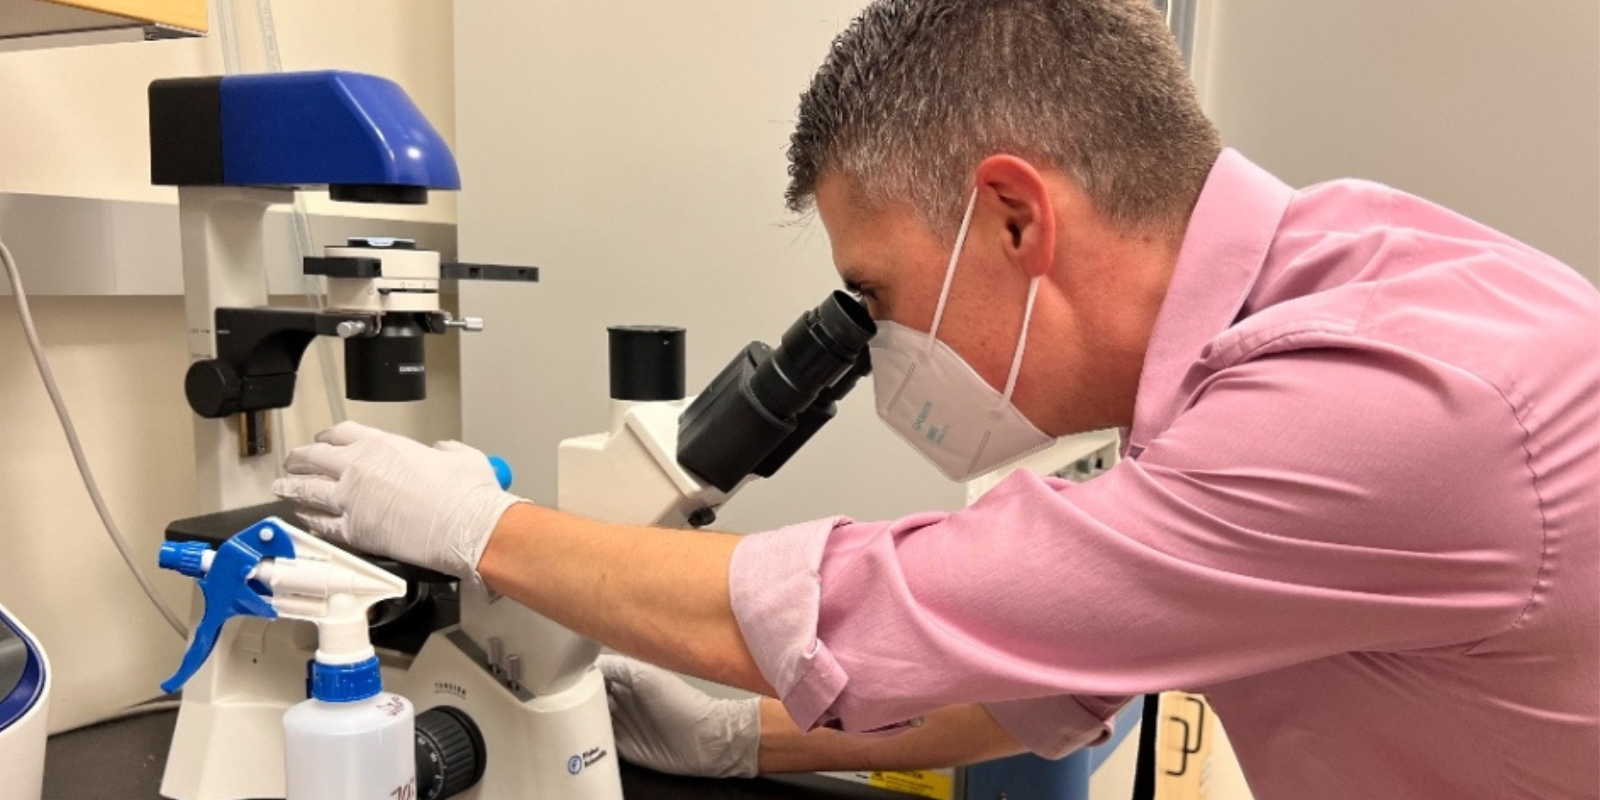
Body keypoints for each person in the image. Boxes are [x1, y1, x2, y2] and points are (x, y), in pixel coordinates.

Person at [272, 0, 1600, 797]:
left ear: (1015, 216)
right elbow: (1060, 668)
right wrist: (751, 742)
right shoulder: (1312, 282)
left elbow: (921, 601)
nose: (878, 344)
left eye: (879, 294)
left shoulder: (1389, 406)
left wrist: (477, 527)